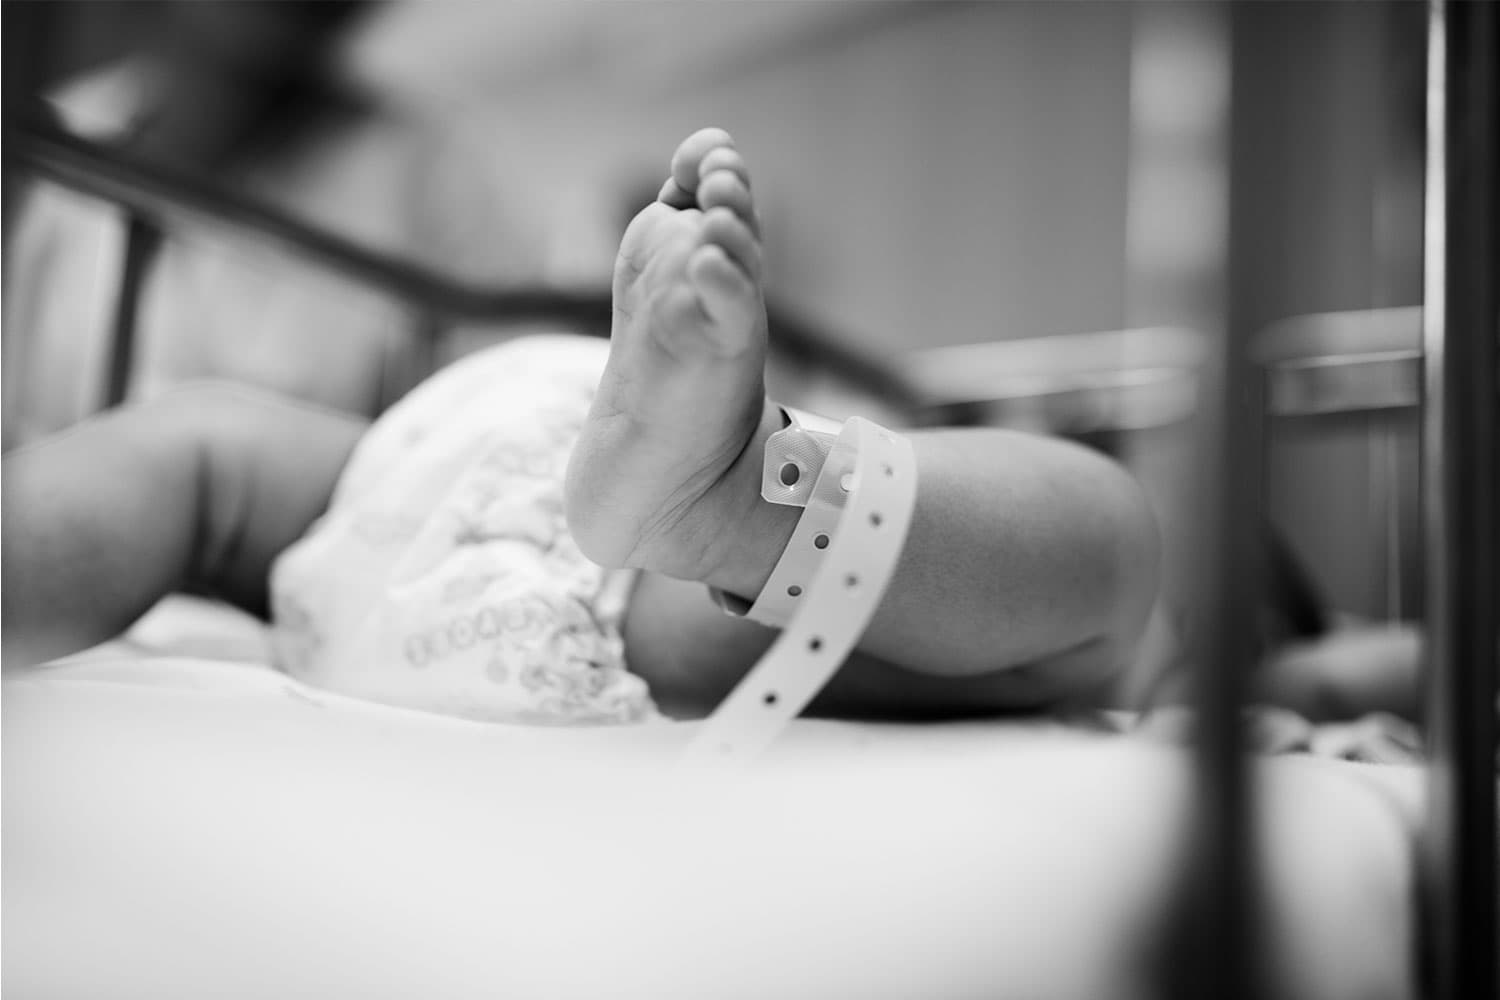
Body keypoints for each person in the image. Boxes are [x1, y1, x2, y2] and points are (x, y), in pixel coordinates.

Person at [1, 128, 1160, 722]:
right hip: (631, 559)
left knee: (200, 453)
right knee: (1115, 551)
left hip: (414, 474)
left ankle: (731, 487)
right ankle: (741, 496)